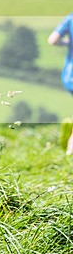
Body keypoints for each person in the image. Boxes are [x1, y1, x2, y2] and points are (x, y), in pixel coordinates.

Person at [48, 12, 73, 155]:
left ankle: (69, 152)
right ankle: (70, 151)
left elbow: (52, 40)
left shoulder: (70, 19)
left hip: (69, 76)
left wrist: (68, 43)